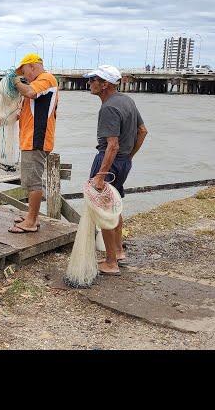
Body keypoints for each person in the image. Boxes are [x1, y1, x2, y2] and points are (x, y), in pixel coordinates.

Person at [84, 65, 148, 275]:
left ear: (105, 85)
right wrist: (129, 157)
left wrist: (101, 175)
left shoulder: (109, 108)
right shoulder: (127, 100)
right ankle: (118, 251)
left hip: (108, 161)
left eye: (94, 79)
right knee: (115, 206)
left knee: (104, 210)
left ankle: (111, 262)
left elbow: (112, 145)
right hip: (122, 162)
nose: (90, 83)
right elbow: (143, 131)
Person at [7, 53, 59, 233]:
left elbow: (30, 92)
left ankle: (31, 222)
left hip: (38, 139)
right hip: (29, 139)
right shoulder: (36, 83)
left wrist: (14, 82)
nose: (23, 76)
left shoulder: (46, 79)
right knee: (29, 181)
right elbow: (18, 114)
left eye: (23, 71)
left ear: (32, 66)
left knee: (33, 182)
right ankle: (32, 215)